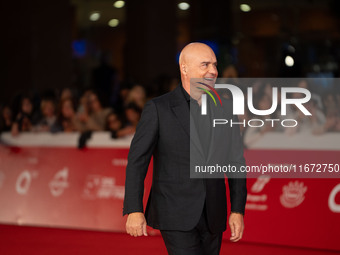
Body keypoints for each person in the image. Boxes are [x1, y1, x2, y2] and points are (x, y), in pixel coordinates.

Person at [123, 42, 247, 255]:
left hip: (213, 214)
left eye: (215, 65)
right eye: (205, 65)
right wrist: (134, 209)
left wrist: (237, 210)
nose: (213, 71)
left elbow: (236, 162)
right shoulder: (158, 109)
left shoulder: (226, 109)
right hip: (174, 212)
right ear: (185, 68)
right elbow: (137, 161)